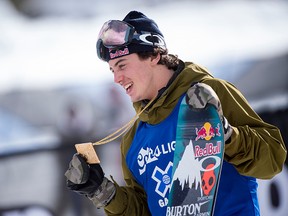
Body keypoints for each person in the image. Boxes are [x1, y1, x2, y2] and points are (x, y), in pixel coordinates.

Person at [64, 11, 287, 216]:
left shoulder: (208, 94)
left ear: (153, 55)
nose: (116, 78)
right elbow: (144, 210)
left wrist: (227, 135)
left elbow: (272, 162)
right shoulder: (133, 140)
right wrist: (103, 192)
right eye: (112, 69)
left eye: (122, 65)